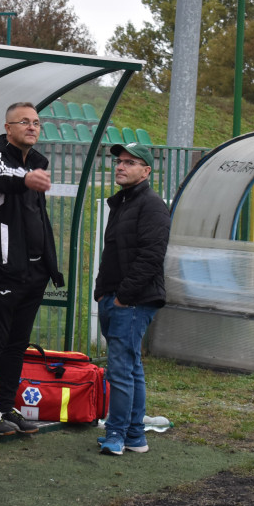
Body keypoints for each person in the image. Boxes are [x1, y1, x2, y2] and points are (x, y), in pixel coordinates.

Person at [0, 103, 65, 436]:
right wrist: (25, 177)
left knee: (18, 343)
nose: (32, 127)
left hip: (34, 273)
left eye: (37, 122)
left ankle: (6, 406)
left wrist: (51, 268)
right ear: (8, 127)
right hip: (4, 271)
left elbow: (39, 222)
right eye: (24, 121)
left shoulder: (36, 164)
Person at [93, 142, 170, 456]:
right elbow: (113, 253)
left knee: (121, 368)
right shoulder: (123, 202)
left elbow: (151, 257)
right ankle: (135, 436)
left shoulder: (151, 205)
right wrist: (102, 290)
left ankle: (117, 434)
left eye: (130, 162)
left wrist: (124, 297)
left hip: (133, 300)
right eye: (119, 161)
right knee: (131, 366)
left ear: (146, 171)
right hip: (115, 296)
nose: (120, 166)